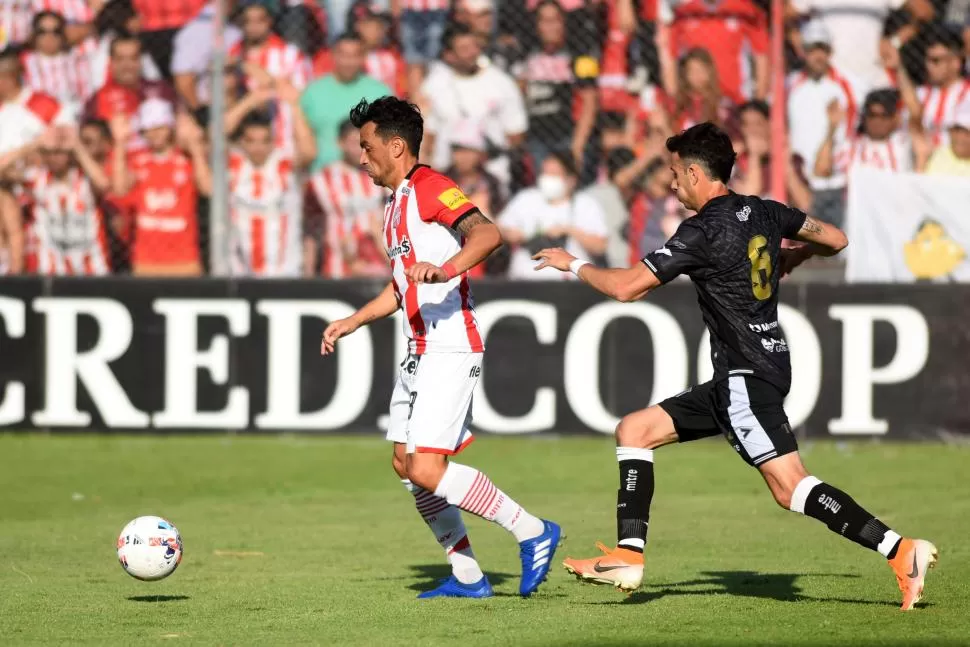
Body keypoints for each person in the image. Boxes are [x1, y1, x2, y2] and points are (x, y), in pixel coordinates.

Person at [531, 122, 937, 612]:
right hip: (751, 370)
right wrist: (794, 254)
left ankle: (900, 550)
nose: (672, 183)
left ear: (697, 173)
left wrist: (572, 263)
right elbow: (835, 237)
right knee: (634, 430)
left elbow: (626, 287)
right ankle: (627, 555)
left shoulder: (701, 230)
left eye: (676, 173)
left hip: (745, 375)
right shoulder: (767, 211)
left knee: (791, 488)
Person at [320, 96, 560, 599]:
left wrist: (446, 270)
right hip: (415, 349)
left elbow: (487, 233)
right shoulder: (394, 207)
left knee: (428, 467)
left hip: (449, 344)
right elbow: (400, 286)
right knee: (406, 466)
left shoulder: (432, 188)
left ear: (396, 145)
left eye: (367, 148)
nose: (361, 158)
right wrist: (353, 321)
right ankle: (469, 577)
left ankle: (532, 530)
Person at [498, 150, 608, 280]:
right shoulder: (526, 198)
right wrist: (516, 235)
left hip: (569, 283)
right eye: (545, 173)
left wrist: (568, 230)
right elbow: (499, 228)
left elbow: (600, 246)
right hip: (524, 279)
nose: (547, 178)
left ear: (571, 180)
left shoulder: (585, 204)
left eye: (554, 174)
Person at [301, 32, 392, 171]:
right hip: (323, 176)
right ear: (333, 55)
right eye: (343, 55)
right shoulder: (313, 93)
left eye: (355, 55)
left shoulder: (380, 93)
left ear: (363, 57)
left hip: (368, 177)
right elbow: (304, 141)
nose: (348, 62)